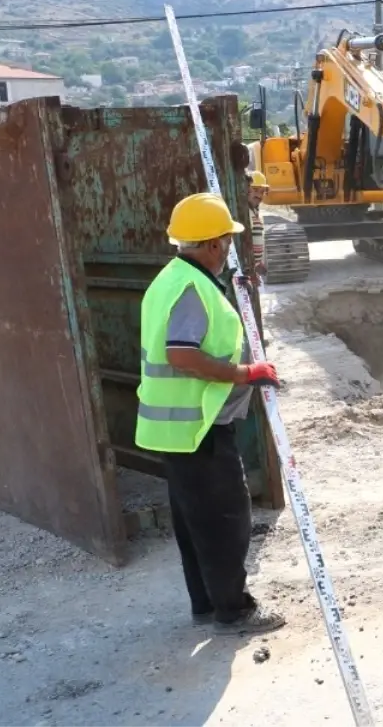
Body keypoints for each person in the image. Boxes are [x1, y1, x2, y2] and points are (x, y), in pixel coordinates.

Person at [135, 192, 287, 634]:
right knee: (225, 519)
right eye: (226, 241)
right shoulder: (191, 287)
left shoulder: (172, 278)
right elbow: (182, 354)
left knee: (194, 521)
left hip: (178, 428)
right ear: (213, 244)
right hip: (197, 427)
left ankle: (206, 603)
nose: (228, 249)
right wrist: (244, 373)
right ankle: (233, 610)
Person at [247, 171, 268, 280]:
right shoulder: (245, 214)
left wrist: (259, 263)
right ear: (246, 189)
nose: (259, 195)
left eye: (262, 192)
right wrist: (251, 271)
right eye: (255, 190)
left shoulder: (254, 212)